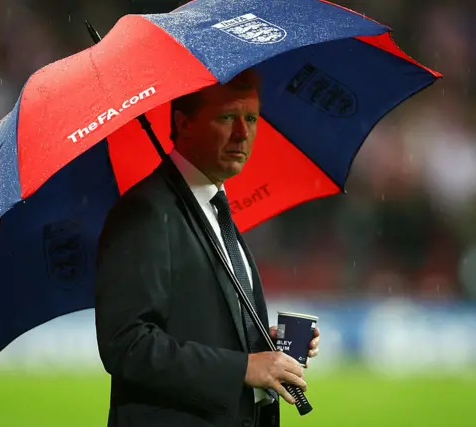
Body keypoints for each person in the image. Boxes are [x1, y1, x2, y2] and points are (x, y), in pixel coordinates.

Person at [95, 69, 320, 427]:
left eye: (250, 118)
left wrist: (261, 341)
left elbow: (199, 320)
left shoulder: (213, 207)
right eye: (227, 117)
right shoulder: (144, 211)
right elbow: (127, 346)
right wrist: (244, 367)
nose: (242, 134)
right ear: (183, 125)